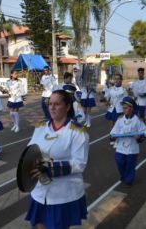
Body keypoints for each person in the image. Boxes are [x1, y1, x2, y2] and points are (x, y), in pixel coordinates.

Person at [25, 89, 89, 229]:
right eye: (50, 103)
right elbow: (30, 149)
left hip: (62, 194)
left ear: (67, 107)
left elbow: (80, 164)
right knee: (38, 225)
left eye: (57, 104)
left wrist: (49, 168)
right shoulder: (40, 127)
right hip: (39, 190)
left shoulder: (77, 132)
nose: (52, 107)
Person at [110, 97, 146, 187]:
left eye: (126, 108)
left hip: (132, 147)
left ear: (132, 108)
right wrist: (113, 137)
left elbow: (143, 132)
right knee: (119, 162)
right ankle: (124, 175)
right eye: (123, 108)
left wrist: (138, 137)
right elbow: (113, 132)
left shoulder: (138, 120)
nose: (124, 109)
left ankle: (129, 180)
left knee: (130, 164)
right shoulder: (120, 119)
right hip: (120, 147)